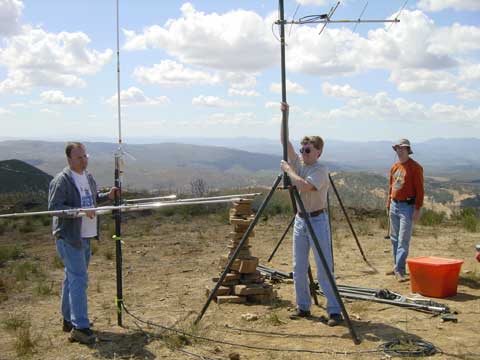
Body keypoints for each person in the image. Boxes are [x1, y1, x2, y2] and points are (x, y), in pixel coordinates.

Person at [279, 102, 343, 327]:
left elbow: (305, 187)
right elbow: (284, 142)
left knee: (324, 266)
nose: (303, 153)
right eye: (302, 149)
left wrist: (288, 171)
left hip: (317, 219)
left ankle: (335, 311)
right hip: (300, 220)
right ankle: (303, 306)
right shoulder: (299, 163)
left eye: (307, 150)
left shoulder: (319, 169)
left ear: (318, 152)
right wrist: (285, 117)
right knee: (298, 267)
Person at [48, 142, 117, 344]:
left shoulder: (88, 177)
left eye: (85, 156)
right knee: (79, 279)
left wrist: (107, 196)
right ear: (69, 159)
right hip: (70, 237)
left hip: (86, 236)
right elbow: (55, 208)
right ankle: (81, 327)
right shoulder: (61, 181)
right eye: (79, 157)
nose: (84, 160)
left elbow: (92, 199)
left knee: (72, 278)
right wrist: (78, 211)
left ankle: (69, 320)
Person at [386, 139, 424, 283]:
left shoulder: (415, 168)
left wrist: (417, 208)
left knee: (403, 240)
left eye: (402, 148)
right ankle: (397, 266)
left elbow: (420, 190)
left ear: (408, 150)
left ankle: (400, 270)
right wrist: (388, 204)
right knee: (394, 239)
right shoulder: (395, 167)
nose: (399, 151)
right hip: (394, 205)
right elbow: (391, 187)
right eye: (397, 148)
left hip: (407, 207)